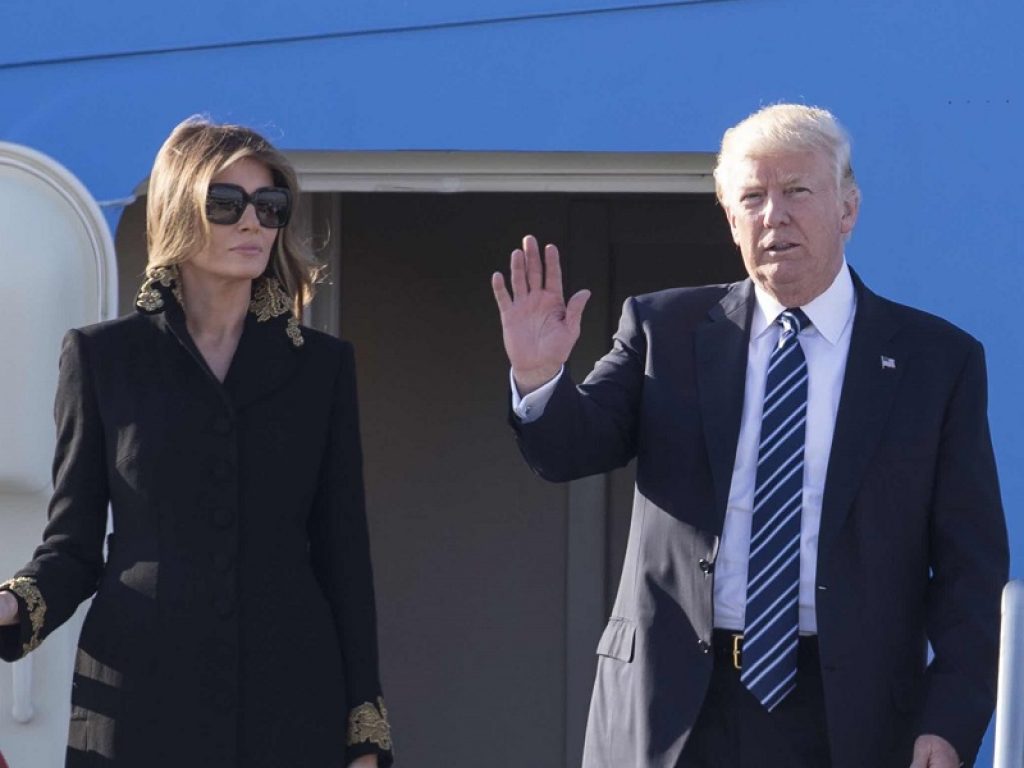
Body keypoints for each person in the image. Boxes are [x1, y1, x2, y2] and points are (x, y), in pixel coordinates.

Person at [491, 104, 1008, 768]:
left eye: (797, 191)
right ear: (731, 219)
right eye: (752, 198)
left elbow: (970, 570)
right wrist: (539, 377)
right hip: (675, 706)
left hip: (850, 715)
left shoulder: (935, 361)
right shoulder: (664, 330)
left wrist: (950, 722)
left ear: (848, 209)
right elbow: (570, 449)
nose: (774, 216)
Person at [0, 117, 393, 768]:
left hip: (290, 700)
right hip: (138, 698)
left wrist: (365, 733)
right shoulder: (102, 358)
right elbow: (72, 550)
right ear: (178, 210)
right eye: (226, 203)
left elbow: (344, 557)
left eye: (270, 206)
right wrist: (13, 603)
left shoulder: (322, 368)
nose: (253, 223)